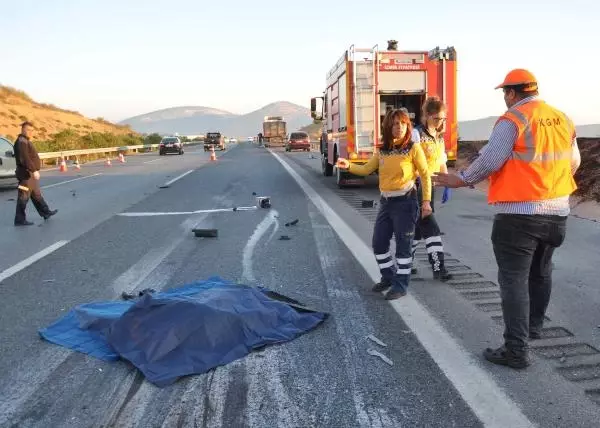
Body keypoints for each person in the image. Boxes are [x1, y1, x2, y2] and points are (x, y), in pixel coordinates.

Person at [433, 69, 581, 369]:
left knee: (513, 280)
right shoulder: (562, 118)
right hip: (557, 214)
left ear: (512, 93)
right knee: (541, 273)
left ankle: (516, 350)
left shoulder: (514, 119)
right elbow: (574, 162)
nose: (504, 98)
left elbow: (490, 159)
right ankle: (532, 329)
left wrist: (461, 180)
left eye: (505, 93)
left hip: (520, 216)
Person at [337, 109, 432, 300]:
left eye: (403, 124)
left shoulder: (413, 148)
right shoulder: (382, 150)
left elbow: (425, 174)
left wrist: (426, 202)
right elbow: (365, 169)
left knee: (403, 247)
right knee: (379, 243)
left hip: (406, 202)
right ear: (388, 126)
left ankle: (401, 285)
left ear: (408, 126)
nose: (399, 128)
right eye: (395, 124)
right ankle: (388, 277)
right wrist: (348, 165)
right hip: (386, 203)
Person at [411, 96, 453, 281]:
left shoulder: (438, 137)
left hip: (431, 186)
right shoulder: (416, 134)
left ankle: (405, 262)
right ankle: (439, 268)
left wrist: (446, 183)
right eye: (436, 118)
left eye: (443, 119)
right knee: (431, 227)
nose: (440, 122)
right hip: (418, 186)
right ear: (426, 115)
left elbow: (441, 161)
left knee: (418, 229)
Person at [14, 122, 58, 226]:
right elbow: (25, 158)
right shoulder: (22, 141)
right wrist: (34, 170)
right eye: (28, 130)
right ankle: (19, 220)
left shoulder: (25, 141)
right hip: (26, 175)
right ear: (23, 130)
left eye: (32, 130)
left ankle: (45, 212)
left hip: (29, 176)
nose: (30, 132)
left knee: (36, 195)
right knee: (23, 197)